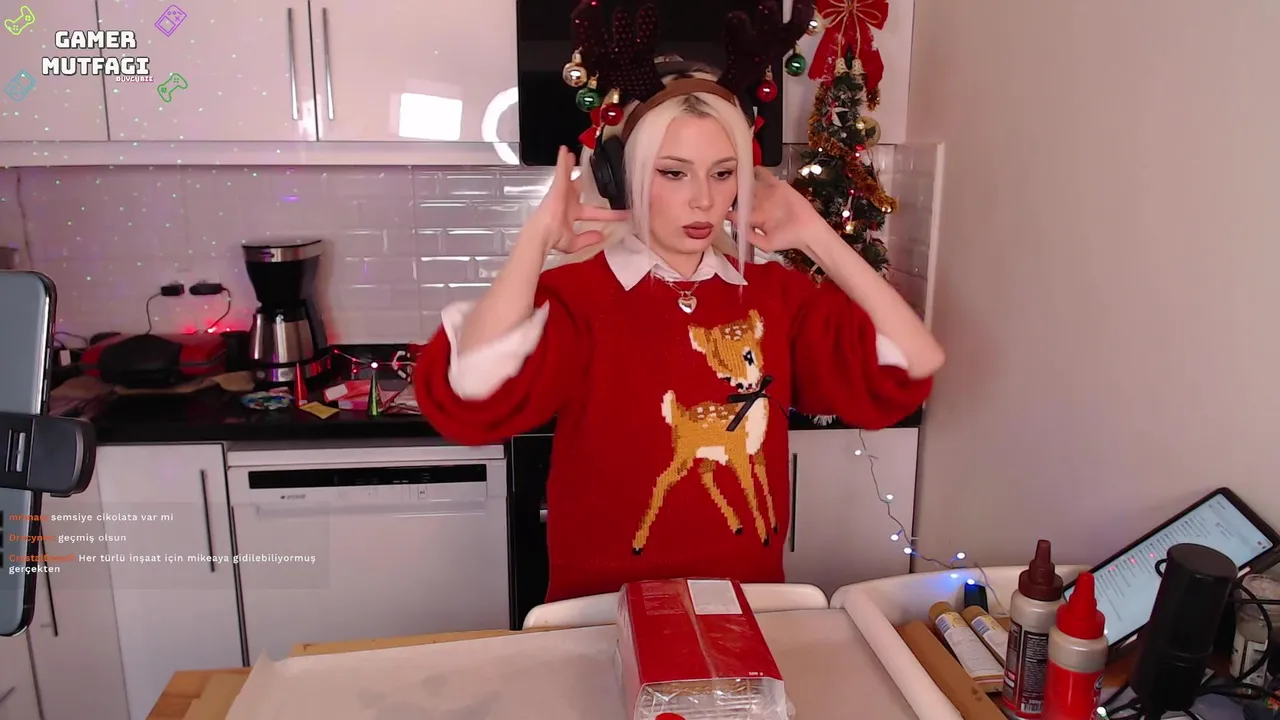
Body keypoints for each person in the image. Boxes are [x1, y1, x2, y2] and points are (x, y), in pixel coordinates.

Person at [413, 0, 944, 604]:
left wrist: (815, 234)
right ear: (623, 176)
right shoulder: (578, 297)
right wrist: (533, 243)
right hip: (602, 608)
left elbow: (913, 361)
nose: (702, 200)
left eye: (722, 173)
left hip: (748, 603)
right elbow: (472, 392)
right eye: (673, 173)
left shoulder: (772, 293)